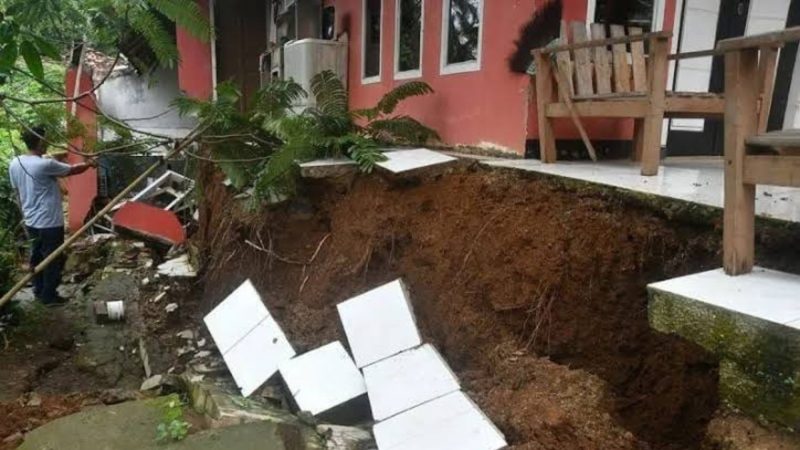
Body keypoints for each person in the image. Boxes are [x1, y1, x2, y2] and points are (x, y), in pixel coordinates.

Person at [8, 127, 94, 305]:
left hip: (31, 219)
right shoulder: (44, 165)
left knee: (37, 256)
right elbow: (73, 170)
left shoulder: (16, 162)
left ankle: (38, 290)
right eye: (45, 140)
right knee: (53, 259)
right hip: (49, 221)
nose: (47, 143)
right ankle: (49, 296)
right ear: (40, 142)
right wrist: (90, 163)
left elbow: (18, 189)